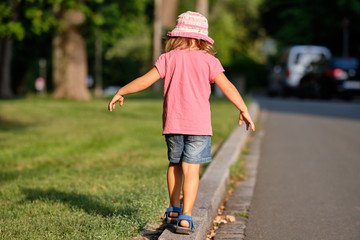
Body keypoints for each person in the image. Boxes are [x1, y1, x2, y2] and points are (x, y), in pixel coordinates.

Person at [108, 11, 255, 234]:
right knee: (191, 170)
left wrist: (122, 91)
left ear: (179, 36)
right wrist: (243, 109)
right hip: (199, 127)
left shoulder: (168, 59)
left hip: (174, 125)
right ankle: (185, 218)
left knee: (174, 165)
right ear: (201, 39)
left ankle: (173, 209)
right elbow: (228, 88)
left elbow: (145, 81)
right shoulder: (209, 61)